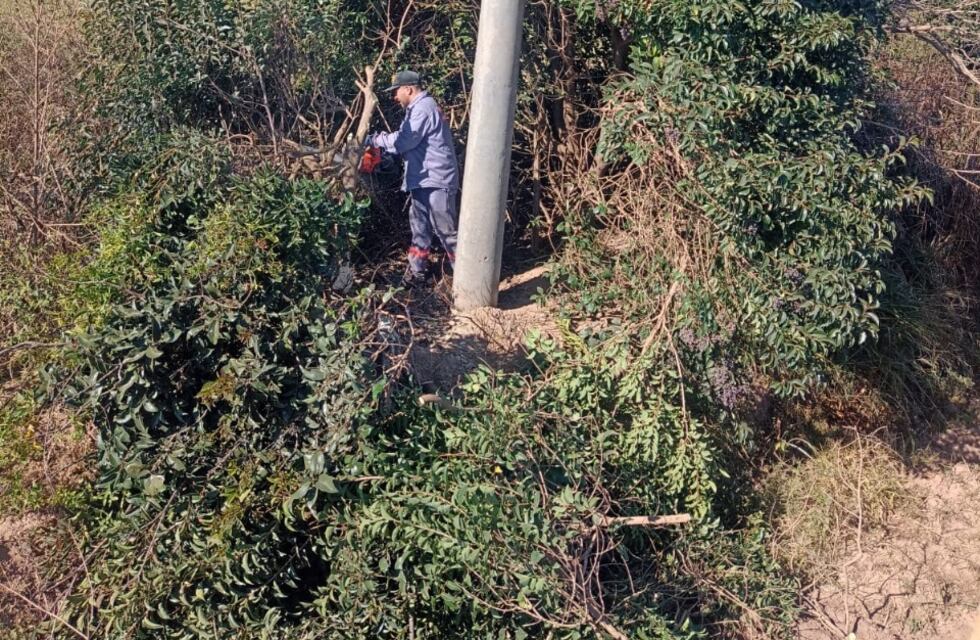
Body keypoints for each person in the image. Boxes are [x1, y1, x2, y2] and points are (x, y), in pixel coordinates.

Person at [366, 70, 460, 287]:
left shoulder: (424, 108)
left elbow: (404, 142)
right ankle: (417, 275)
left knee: (445, 229)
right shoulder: (417, 109)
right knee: (420, 228)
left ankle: (466, 279)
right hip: (422, 179)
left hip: (436, 179)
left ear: (408, 89)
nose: (395, 97)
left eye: (396, 91)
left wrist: (375, 140)